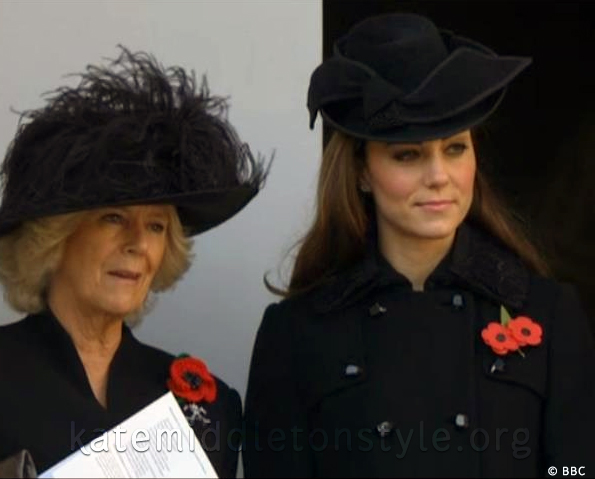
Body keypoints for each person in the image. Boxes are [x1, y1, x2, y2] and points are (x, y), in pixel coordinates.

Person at [243, 13, 595, 478]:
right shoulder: (296, 332)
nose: (438, 176)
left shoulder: (549, 314)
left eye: (455, 148)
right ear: (362, 171)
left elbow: (574, 470)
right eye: (408, 155)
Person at [0, 47, 266, 478]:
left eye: (157, 226)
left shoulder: (207, 406)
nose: (139, 243)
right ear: (55, 238)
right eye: (113, 219)